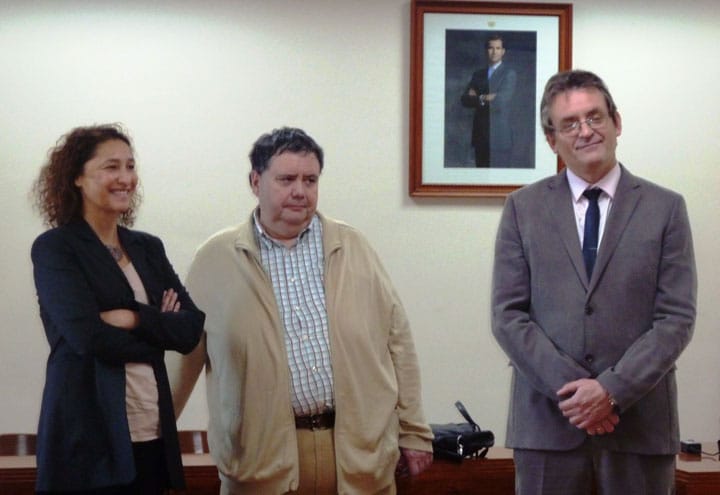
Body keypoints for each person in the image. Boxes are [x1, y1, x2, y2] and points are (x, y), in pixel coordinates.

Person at [167, 127, 434, 494]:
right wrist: (152, 438)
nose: (300, 191)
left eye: (310, 180)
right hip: (261, 466)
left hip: (359, 460)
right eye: (287, 179)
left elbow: (398, 341)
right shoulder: (216, 259)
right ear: (255, 181)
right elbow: (182, 357)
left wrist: (414, 431)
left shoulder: (353, 247)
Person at [491, 69, 697, 494]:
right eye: (569, 124)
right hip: (547, 429)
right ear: (552, 140)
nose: (585, 131)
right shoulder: (522, 209)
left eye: (595, 117)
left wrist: (611, 390)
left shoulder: (666, 209)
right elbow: (508, 317)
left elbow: (676, 319)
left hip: (639, 429)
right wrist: (577, 396)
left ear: (616, 123)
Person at [31, 124, 205, 494]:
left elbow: (191, 329)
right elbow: (88, 338)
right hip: (87, 436)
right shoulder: (56, 248)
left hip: (152, 430)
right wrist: (160, 330)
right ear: (77, 177)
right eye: (112, 167)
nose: (125, 178)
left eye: (130, 166)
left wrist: (132, 317)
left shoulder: (147, 247)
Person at [461, 33, 517, 167]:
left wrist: (478, 97)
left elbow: (501, 101)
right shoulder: (478, 74)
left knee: (501, 177)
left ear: (503, 51)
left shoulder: (509, 74)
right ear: (486, 50)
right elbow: (465, 100)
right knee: (481, 175)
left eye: (498, 48)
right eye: (491, 48)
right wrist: (487, 97)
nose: (494, 52)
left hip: (500, 137)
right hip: (480, 135)